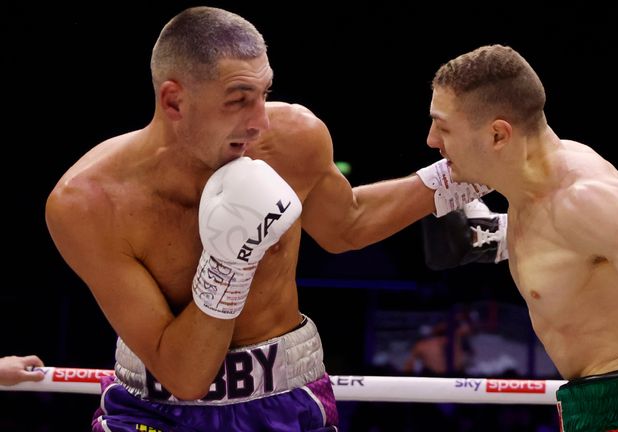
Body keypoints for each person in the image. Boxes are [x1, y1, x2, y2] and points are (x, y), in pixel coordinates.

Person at [44, 6, 486, 432]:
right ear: (174, 101)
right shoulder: (89, 203)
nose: (260, 122)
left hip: (284, 399)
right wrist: (231, 261)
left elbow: (347, 224)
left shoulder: (293, 138)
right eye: (238, 101)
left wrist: (464, 173)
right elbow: (186, 376)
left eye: (264, 94)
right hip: (154, 409)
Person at [423, 44, 618, 431]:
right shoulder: (528, 194)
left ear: (497, 134)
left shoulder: (584, 197)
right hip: (586, 410)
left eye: (443, 127)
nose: (431, 140)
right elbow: (567, 251)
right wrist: (494, 238)